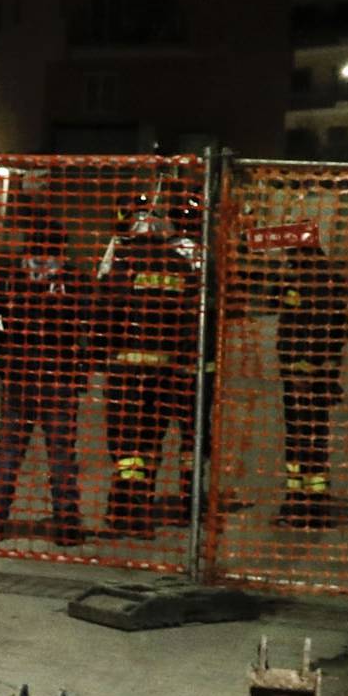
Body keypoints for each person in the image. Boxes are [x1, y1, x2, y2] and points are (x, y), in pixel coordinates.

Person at [0, 209, 92, 546]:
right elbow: (94, 318)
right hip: (60, 377)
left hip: (18, 376)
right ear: (62, 246)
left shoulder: (8, 278)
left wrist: (2, 335)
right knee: (61, 454)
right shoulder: (74, 279)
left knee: (9, 450)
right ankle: (67, 525)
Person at [94, 187, 204, 535]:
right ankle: (140, 512)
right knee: (152, 441)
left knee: (126, 444)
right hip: (166, 369)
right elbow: (190, 318)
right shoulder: (181, 265)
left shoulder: (123, 262)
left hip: (126, 368)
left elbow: (105, 310)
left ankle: (122, 510)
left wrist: (99, 353)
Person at [273, 232, 348, 528]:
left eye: (290, 255)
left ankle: (304, 505)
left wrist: (306, 369)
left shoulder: (317, 281)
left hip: (306, 375)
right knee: (307, 436)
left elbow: (322, 328)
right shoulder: (307, 278)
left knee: (303, 437)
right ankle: (303, 500)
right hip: (305, 372)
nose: (287, 260)